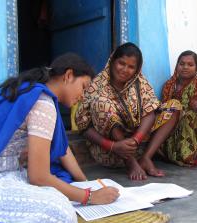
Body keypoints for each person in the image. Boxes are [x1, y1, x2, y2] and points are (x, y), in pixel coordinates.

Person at [0, 53, 119, 223]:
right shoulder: (43, 103)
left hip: (10, 171)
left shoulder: (29, 90)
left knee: (62, 180)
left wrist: (84, 182)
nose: (83, 96)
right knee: (60, 212)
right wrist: (90, 196)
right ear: (68, 76)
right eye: (84, 87)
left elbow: (61, 149)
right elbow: (38, 176)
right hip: (3, 178)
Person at [75, 42, 181, 181]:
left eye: (131, 67)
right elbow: (83, 126)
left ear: (137, 70)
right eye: (121, 63)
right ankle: (130, 163)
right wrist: (114, 146)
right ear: (112, 61)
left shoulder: (140, 83)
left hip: (138, 146)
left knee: (174, 106)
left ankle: (146, 158)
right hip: (110, 151)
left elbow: (150, 111)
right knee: (102, 103)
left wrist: (135, 140)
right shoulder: (97, 85)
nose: (125, 69)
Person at [161, 50, 197, 166]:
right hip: (172, 126)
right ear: (177, 66)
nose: (185, 67)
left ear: (196, 68)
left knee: (189, 116)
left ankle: (191, 154)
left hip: (195, 126)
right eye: (182, 64)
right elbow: (165, 108)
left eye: (190, 64)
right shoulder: (169, 85)